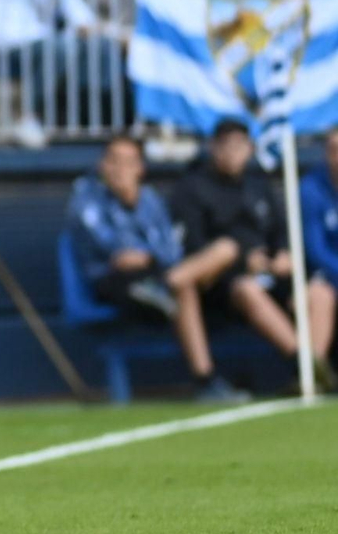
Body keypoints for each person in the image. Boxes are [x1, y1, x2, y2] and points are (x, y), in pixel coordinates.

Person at [67, 135, 248, 401]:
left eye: (128, 162)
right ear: (102, 165)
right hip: (114, 282)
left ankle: (166, 288)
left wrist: (149, 258)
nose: (120, 169)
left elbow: (170, 249)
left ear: (141, 168)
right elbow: (115, 253)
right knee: (183, 287)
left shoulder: (150, 200)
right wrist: (146, 253)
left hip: (159, 276)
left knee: (224, 249)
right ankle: (205, 380)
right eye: (114, 161)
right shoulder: (85, 200)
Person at [171, 119, 338, 388]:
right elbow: (195, 250)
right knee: (247, 288)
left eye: (240, 146)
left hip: (271, 277)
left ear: (250, 148)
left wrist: (283, 254)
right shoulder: (192, 188)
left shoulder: (258, 185)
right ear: (213, 147)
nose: (233, 152)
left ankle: (310, 378)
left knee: (321, 293)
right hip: (225, 286)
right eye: (226, 146)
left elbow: (282, 231)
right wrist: (244, 261)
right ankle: (305, 362)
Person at [300, 127, 338, 368]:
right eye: (334, 150)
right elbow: (315, 249)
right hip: (325, 276)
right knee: (319, 294)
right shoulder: (310, 188)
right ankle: (315, 372)